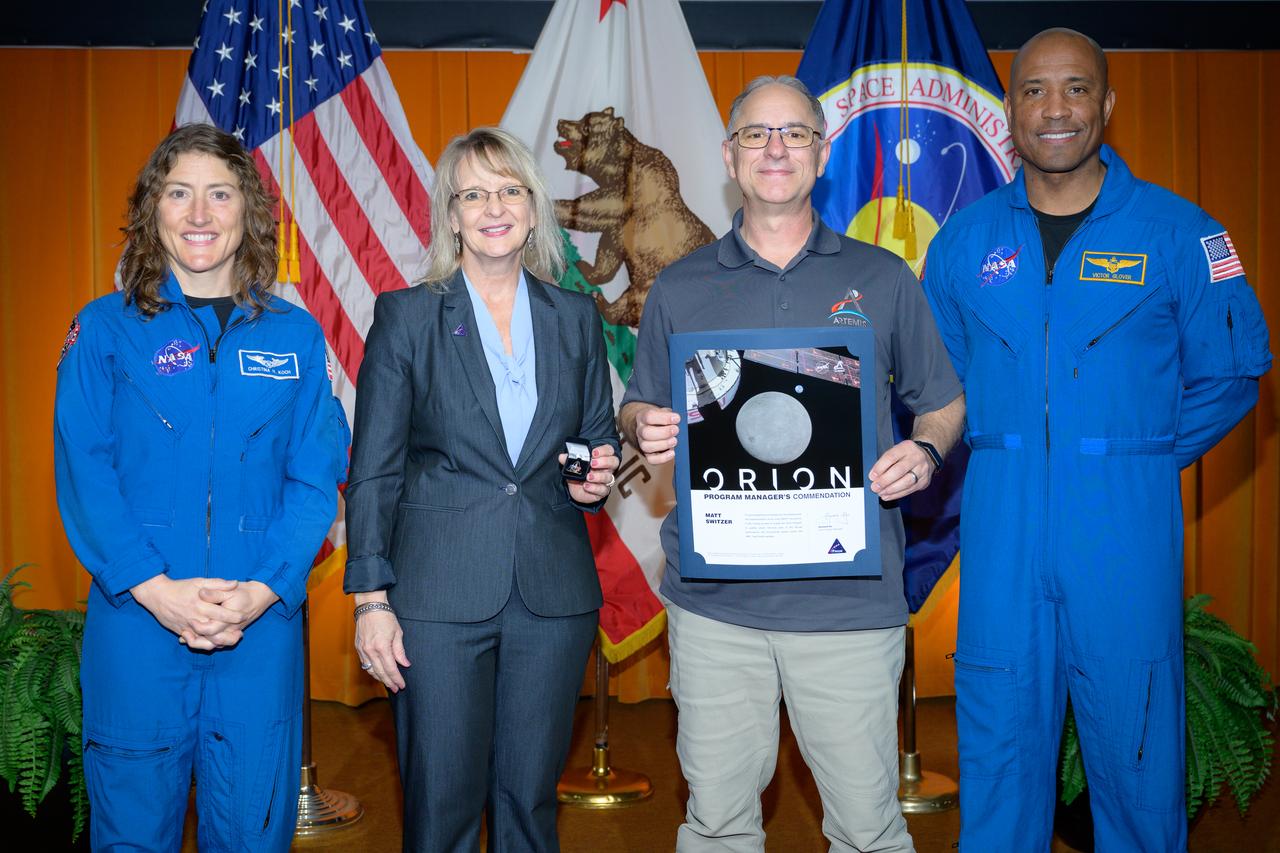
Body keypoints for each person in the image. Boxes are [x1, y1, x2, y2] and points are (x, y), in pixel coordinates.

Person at [923, 28, 1272, 851]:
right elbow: (942, 386)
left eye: (1076, 89)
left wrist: (1135, 453)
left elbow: (1231, 375)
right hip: (1003, 532)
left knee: (1135, 754)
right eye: (1035, 90)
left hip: (1124, 535)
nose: (1055, 109)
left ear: (1108, 105)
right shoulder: (964, 244)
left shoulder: (1181, 235)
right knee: (999, 753)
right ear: (1009, 110)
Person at [620, 76, 965, 853]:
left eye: (795, 133)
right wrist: (644, 423)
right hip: (715, 611)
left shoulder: (882, 278)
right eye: (756, 134)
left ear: (822, 152)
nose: (775, 149)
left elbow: (943, 400)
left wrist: (928, 447)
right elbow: (638, 402)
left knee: (869, 831)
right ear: (730, 155)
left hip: (847, 608)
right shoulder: (679, 284)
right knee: (716, 827)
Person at [54, 123, 350, 851]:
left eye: (219, 194)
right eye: (179, 193)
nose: (199, 214)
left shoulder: (296, 337)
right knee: (131, 833)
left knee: (253, 830)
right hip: (138, 625)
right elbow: (84, 472)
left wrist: (261, 590)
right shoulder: (102, 331)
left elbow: (316, 479)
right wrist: (157, 589)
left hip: (259, 627)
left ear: (248, 212)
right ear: (152, 209)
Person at [343, 127, 621, 853]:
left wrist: (595, 477)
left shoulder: (576, 318)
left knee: (530, 804)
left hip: (552, 595)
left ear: (533, 210)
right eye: (473, 194)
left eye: (508, 190)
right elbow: (374, 468)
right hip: (434, 599)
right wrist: (371, 599)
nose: (492, 207)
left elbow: (594, 438)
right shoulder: (407, 317)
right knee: (441, 807)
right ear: (452, 215)